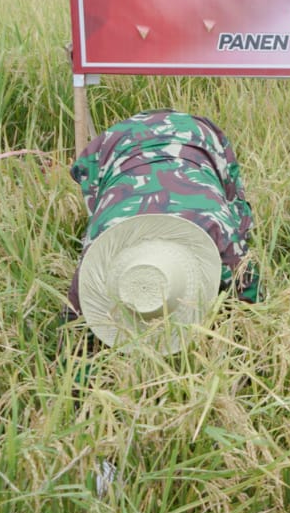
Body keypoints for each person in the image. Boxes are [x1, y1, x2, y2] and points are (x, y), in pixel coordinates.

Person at [62, 110, 261, 355]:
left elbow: (249, 301)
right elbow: (74, 325)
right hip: (119, 144)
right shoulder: (99, 245)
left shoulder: (220, 235)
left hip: (195, 137)